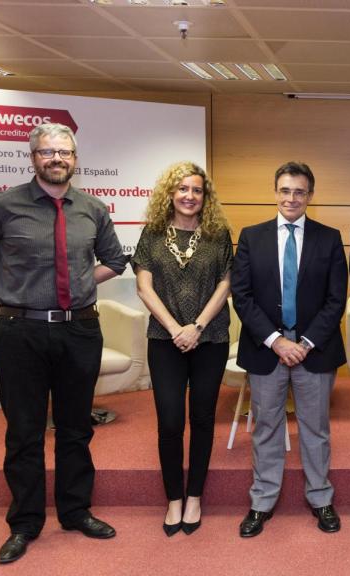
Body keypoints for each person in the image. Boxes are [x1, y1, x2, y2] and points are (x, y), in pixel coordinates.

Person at [0, 123, 128, 564]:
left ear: (75, 159)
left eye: (65, 152)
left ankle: (75, 511)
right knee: (24, 433)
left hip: (79, 331)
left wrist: (84, 281)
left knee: (75, 428)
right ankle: (25, 523)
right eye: (48, 152)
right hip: (20, 333)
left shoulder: (92, 208)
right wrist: (5, 284)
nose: (57, 159)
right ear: (33, 157)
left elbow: (114, 259)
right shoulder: (3, 205)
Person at [231, 162, 348, 537]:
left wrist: (305, 342)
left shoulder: (329, 238)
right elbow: (243, 296)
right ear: (275, 192)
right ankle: (262, 501)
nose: (291, 198)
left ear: (310, 196)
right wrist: (277, 341)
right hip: (267, 350)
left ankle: (321, 498)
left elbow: (336, 299)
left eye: (299, 192)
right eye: (285, 190)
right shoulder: (251, 236)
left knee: (316, 429)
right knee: (266, 427)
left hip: (315, 351)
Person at [131, 161, 232, 537]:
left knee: (203, 419)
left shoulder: (218, 233)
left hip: (211, 339)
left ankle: (194, 496)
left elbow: (225, 285)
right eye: (183, 189)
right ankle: (173, 497)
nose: (190, 196)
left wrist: (197, 326)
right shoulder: (153, 233)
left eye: (197, 190)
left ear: (205, 197)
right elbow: (144, 286)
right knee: (170, 422)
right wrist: (176, 329)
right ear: (170, 194)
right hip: (164, 340)